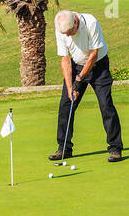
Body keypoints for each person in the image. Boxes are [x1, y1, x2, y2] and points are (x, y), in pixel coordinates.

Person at [51, 9, 123, 162]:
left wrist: (79, 79)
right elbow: (65, 59)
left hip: (98, 66)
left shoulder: (91, 22)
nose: (68, 36)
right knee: (66, 104)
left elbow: (93, 55)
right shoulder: (61, 27)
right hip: (76, 65)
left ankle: (115, 148)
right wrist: (71, 88)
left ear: (76, 23)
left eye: (70, 32)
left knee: (106, 105)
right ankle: (64, 148)